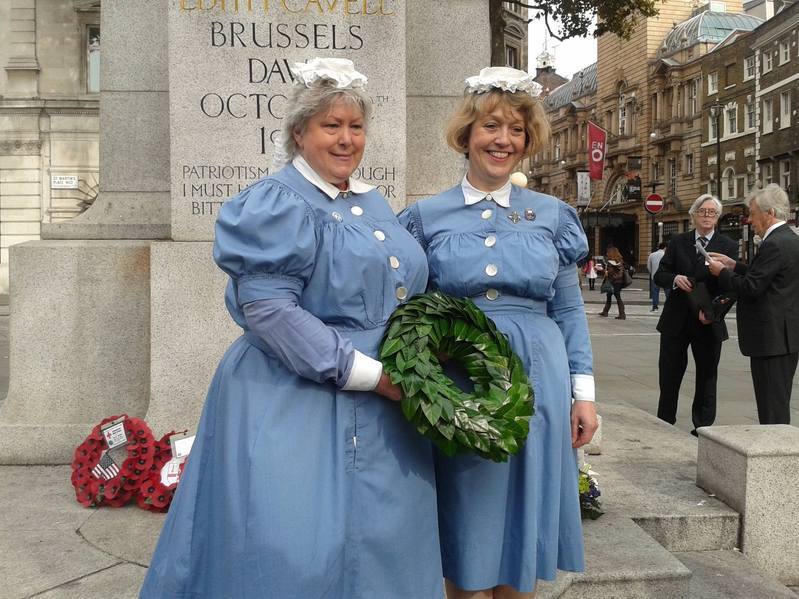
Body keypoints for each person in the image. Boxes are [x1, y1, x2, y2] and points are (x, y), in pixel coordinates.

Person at [140, 58, 444, 598]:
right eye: (332, 125)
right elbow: (269, 311)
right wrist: (370, 374)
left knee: (383, 541)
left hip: (388, 402)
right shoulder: (277, 201)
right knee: (297, 548)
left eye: (356, 126)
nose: (347, 139)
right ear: (299, 132)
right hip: (297, 397)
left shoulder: (369, 202)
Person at [400, 66, 598, 599]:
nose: (503, 140)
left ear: (528, 141)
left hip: (539, 378)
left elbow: (569, 308)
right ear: (467, 134)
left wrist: (583, 393)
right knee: (467, 513)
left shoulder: (553, 216)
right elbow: (408, 309)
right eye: (491, 126)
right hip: (460, 380)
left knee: (521, 526)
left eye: (516, 129)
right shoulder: (423, 217)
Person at [708, 184, 799, 425]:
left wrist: (721, 272)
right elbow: (769, 276)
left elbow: (752, 287)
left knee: (771, 407)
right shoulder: (789, 239)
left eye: (753, 213)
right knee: (776, 400)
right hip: (784, 337)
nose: (749, 220)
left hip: (771, 338)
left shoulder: (773, 244)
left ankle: (775, 447)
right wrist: (734, 265)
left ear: (769, 213)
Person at [653, 194, 738, 435]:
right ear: (693, 215)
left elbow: (732, 286)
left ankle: (702, 427)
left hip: (707, 319)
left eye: (712, 212)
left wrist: (714, 312)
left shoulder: (728, 245)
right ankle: (664, 422)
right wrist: (674, 279)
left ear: (718, 217)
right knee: (669, 374)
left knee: (707, 377)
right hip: (676, 319)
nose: (707, 216)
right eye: (702, 211)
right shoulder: (678, 242)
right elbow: (660, 275)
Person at [598, 246, 627, 319]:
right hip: (619, 281)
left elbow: (610, 272)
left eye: (608, 252)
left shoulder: (611, 262)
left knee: (617, 297)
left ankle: (622, 314)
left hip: (613, 281)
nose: (607, 254)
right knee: (609, 295)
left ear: (611, 253)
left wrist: (603, 271)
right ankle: (605, 311)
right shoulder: (620, 261)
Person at [647, 242, 667, 311]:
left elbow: (648, 266)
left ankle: (655, 307)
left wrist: (652, 273)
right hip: (665, 276)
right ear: (665, 247)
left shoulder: (652, 255)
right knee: (667, 292)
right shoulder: (666, 254)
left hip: (655, 276)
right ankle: (668, 306)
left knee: (655, 292)